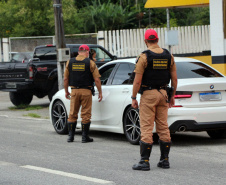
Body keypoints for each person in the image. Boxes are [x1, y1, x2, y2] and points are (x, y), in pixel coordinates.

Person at [131, 29, 177, 171]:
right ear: (157, 39)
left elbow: (137, 81)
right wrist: (172, 95)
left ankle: (144, 161)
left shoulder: (144, 57)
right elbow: (174, 78)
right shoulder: (169, 56)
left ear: (146, 41)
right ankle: (165, 160)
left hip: (149, 94)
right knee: (163, 126)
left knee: (146, 126)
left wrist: (133, 97)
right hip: (164, 93)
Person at [64, 44, 103, 143]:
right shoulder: (90, 62)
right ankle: (85, 137)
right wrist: (100, 92)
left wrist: (66, 91)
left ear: (78, 52)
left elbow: (65, 79)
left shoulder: (70, 62)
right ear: (87, 52)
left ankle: (70, 137)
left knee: (72, 113)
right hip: (86, 91)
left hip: (74, 91)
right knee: (86, 114)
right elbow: (97, 79)